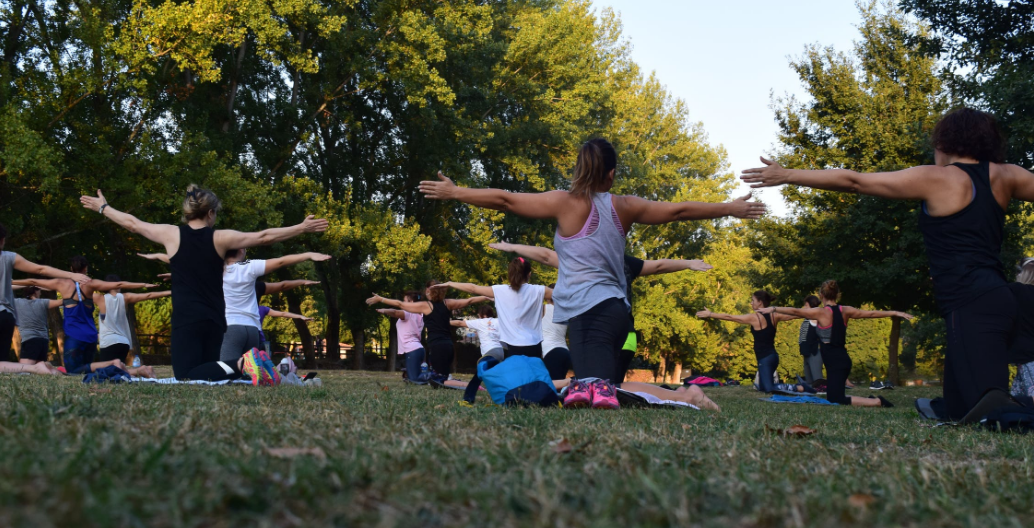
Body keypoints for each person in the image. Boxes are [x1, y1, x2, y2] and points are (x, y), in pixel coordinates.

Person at [421, 138, 761, 408]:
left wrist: (456, 192)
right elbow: (679, 210)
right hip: (615, 312)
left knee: (599, 390)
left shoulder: (565, 202)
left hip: (590, 314)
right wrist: (729, 208)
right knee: (596, 388)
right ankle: (683, 396)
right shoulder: (624, 206)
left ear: (579, 169)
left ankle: (686, 397)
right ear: (611, 174)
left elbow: (507, 200)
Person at [742, 107, 1034, 419]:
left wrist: (788, 175)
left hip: (973, 306)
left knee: (991, 410)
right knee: (956, 408)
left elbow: (855, 181)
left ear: (946, 143)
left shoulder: (938, 178)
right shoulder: (1008, 175)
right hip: (993, 300)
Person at [80, 185, 328, 380]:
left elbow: (133, 224)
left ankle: (244, 363)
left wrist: (104, 208)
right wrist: (301, 228)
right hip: (215, 319)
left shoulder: (171, 234)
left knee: (186, 374)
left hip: (188, 319)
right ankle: (267, 369)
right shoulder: (221, 238)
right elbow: (263, 237)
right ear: (210, 213)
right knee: (212, 373)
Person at [488, 241, 713, 382]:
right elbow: (659, 266)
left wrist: (514, 247)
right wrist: (688, 263)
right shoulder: (626, 262)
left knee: (598, 384)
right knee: (613, 385)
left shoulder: (584, 262)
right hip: (627, 334)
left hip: (597, 332)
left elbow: (547, 256)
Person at [757, 280, 912, 407]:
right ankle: (871, 400)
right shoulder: (846, 310)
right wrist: (894, 312)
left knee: (836, 399)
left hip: (836, 362)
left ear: (821, 295)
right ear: (837, 294)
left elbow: (796, 311)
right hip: (838, 361)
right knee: (833, 396)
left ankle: (878, 402)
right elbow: (871, 313)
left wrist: (773, 308)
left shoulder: (820, 312)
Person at [14, 257, 157, 375]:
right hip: (90, 336)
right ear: (86, 269)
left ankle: (114, 364)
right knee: (88, 370)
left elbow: (33, 282)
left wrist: (11, 282)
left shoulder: (61, 283)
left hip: (74, 336)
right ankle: (137, 370)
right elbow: (118, 283)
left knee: (73, 371)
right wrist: (144, 284)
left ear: (71, 269)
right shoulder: (91, 284)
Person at [0, 224, 88, 375]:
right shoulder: (8, 257)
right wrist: (71, 275)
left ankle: (33, 368)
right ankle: (39, 368)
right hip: (5, 316)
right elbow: (41, 269)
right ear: (2, 240)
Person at [219, 250, 330, 362]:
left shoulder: (214, 270)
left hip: (230, 327)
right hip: (252, 329)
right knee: (250, 374)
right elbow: (281, 266)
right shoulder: (249, 267)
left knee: (227, 371)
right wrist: (308, 256)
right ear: (241, 250)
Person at [432, 257, 552, 359]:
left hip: (513, 346)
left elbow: (473, 288)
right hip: (534, 344)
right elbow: (563, 295)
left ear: (510, 274)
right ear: (529, 274)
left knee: (518, 381)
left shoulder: (500, 290)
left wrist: (450, 283)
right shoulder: (540, 290)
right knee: (533, 379)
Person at [366, 282, 490, 378]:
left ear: (430, 292)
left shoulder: (426, 306)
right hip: (449, 345)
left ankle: (471, 388)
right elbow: (470, 300)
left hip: (437, 346)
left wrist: (381, 299)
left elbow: (400, 305)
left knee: (439, 379)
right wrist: (486, 296)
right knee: (443, 376)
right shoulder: (448, 303)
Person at [695, 291, 801, 393]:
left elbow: (730, 317)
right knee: (763, 388)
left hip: (765, 359)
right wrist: (809, 312)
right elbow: (795, 314)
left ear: (760, 302)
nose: (751, 303)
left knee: (769, 389)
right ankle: (794, 387)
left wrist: (710, 314)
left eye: (753, 300)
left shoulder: (754, 317)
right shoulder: (775, 315)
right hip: (772, 357)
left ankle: (799, 387)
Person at [94, 275, 169, 377]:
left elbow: (80, 293)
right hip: (123, 342)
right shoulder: (126, 297)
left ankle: (141, 370)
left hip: (108, 342)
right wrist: (171, 291)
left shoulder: (99, 298)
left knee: (107, 374)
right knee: (118, 373)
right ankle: (142, 371)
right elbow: (149, 295)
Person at [450, 304, 503, 402]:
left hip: (490, 353)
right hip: (500, 351)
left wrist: (444, 322)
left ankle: (468, 399)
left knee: (479, 374)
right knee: (492, 376)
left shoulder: (480, 322)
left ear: (480, 314)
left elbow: (459, 323)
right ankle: (502, 397)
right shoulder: (498, 321)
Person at [375, 291, 427, 381]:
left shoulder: (408, 313)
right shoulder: (420, 315)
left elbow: (395, 312)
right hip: (418, 349)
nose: (403, 303)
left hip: (412, 350)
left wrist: (384, 310)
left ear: (411, 302)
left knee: (414, 379)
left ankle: (436, 377)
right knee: (412, 376)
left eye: (404, 301)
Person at [14, 286, 62, 367]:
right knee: (39, 369)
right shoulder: (43, 302)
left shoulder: (17, 302)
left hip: (30, 340)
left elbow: (4, 290)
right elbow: (64, 301)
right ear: (35, 291)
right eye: (40, 290)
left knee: (24, 369)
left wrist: (23, 284)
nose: (41, 292)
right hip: (43, 341)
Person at [798, 295, 824, 384]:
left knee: (817, 380)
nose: (805, 308)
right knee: (809, 382)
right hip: (806, 352)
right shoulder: (807, 318)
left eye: (806, 305)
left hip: (814, 352)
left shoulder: (815, 318)